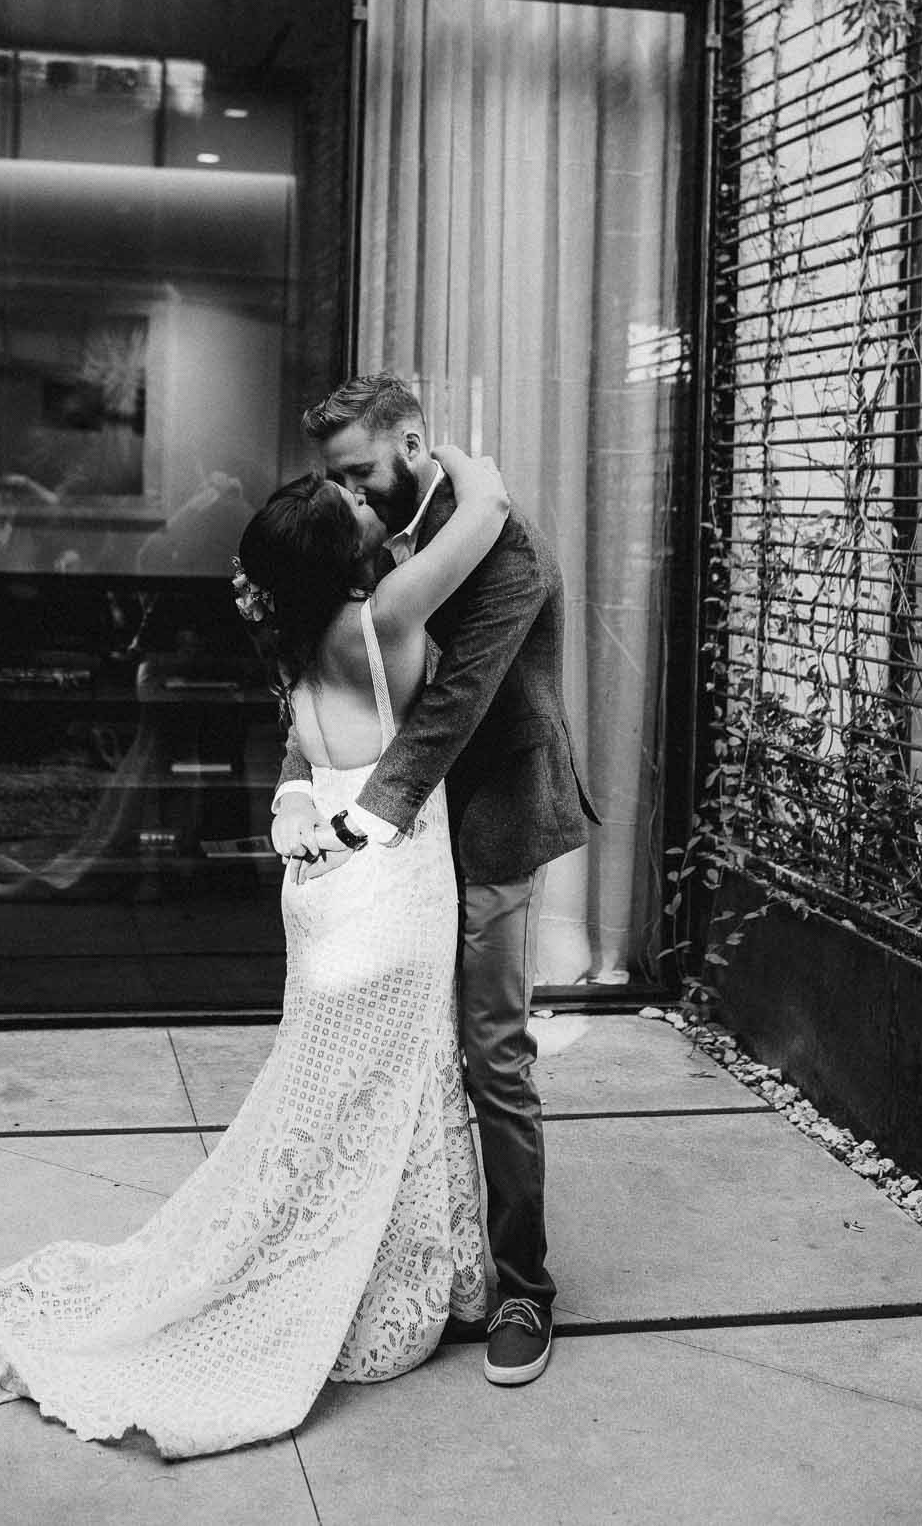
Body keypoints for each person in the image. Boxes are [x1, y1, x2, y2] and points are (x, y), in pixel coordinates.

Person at [0, 442, 509, 1459]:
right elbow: (483, 507)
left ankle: (331, 1257)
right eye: (349, 503)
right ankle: (380, 1285)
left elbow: (305, 761)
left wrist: (292, 800)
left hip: (317, 894)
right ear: (344, 555)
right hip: (393, 894)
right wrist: (431, 454)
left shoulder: (301, 639)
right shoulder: (384, 622)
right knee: (394, 1093)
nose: (363, 502)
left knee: (317, 1106)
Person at [272, 375, 597, 1389]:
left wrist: (362, 822)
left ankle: (519, 1291)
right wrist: (294, 786)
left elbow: (450, 703)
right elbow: (327, 670)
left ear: (412, 443)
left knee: (491, 1054)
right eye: (334, 481)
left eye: (360, 474)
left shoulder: (507, 554)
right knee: (393, 1054)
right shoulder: (360, 534)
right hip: (402, 842)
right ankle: (411, 1262)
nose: (350, 501)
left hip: (488, 821)